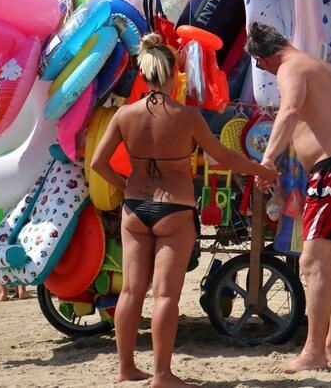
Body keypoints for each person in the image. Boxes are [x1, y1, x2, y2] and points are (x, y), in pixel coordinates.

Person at [91, 33, 277, 388]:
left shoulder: (124, 115)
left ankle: (126, 368)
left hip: (135, 208)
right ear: (174, 74)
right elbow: (225, 157)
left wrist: (125, 185)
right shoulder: (187, 117)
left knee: (131, 292)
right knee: (165, 296)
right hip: (174, 209)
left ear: (143, 74)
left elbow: (98, 164)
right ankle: (161, 375)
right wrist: (262, 171)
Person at [246, 22, 331, 373]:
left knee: (313, 264)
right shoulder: (325, 69)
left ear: (263, 57)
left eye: (258, 65)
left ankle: (315, 352)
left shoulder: (291, 67)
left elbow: (290, 110)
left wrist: (267, 159)